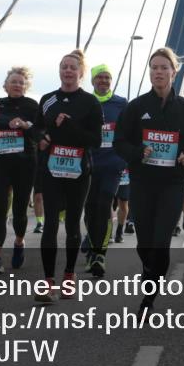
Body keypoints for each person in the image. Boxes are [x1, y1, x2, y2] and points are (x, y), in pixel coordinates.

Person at [115, 47, 184, 315]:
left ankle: (149, 297)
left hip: (173, 183)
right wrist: (137, 153)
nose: (158, 72)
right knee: (145, 242)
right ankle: (149, 271)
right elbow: (119, 142)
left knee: (161, 241)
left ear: (173, 73)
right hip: (142, 182)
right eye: (154, 67)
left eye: (164, 68)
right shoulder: (136, 107)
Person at [32, 50, 102, 303]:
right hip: (52, 170)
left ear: (81, 73)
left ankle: (69, 276)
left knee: (72, 224)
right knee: (50, 224)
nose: (68, 71)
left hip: (79, 171)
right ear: (59, 71)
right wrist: (41, 138)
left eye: (73, 67)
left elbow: (95, 140)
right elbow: (37, 129)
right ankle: (48, 281)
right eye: (64, 67)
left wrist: (70, 125)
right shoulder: (47, 100)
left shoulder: (90, 103)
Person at [0, 66, 41, 273]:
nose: (17, 85)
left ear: (26, 87)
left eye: (21, 82)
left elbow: (39, 134)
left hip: (25, 163)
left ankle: (19, 242)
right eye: (13, 82)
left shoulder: (32, 106)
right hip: (1, 163)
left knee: (19, 210)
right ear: (5, 85)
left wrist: (25, 125)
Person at [84, 64, 127, 276]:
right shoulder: (85, 102)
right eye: (99, 77)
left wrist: (125, 157)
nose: (103, 81)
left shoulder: (121, 103)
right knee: (90, 210)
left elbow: (131, 131)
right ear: (92, 81)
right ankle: (93, 247)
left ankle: (100, 254)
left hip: (112, 164)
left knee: (104, 204)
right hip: (89, 165)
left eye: (107, 77)